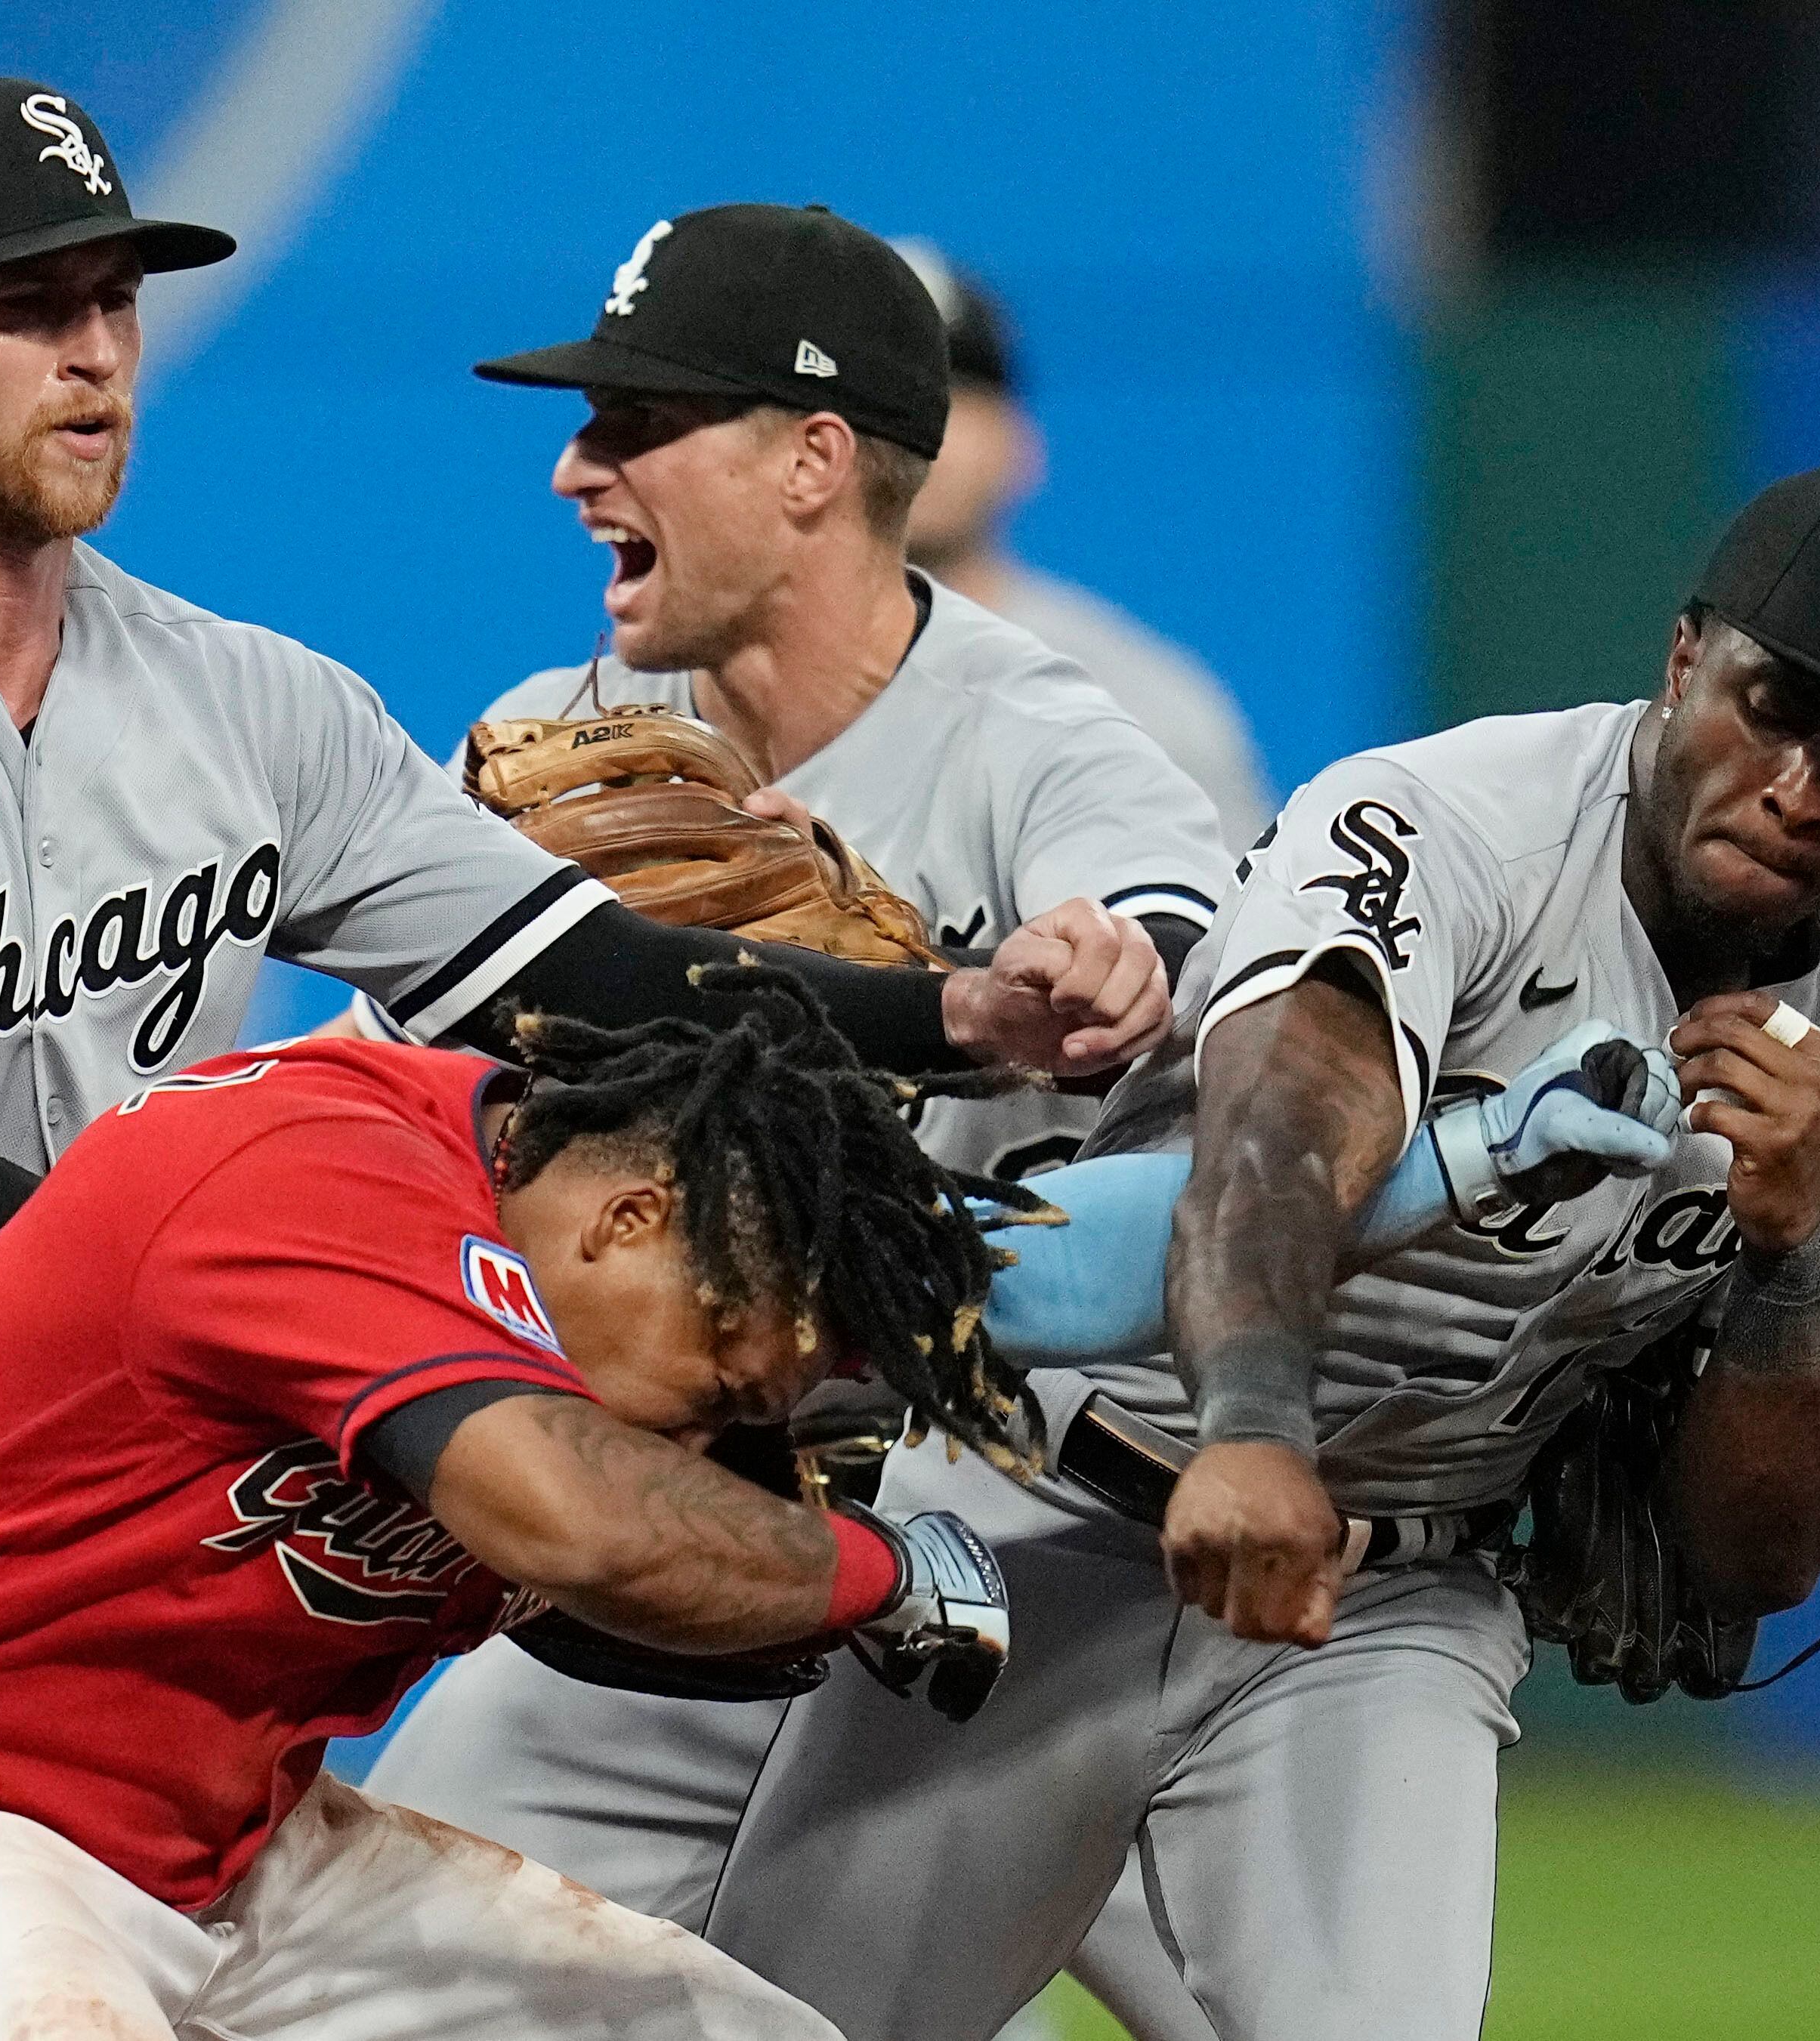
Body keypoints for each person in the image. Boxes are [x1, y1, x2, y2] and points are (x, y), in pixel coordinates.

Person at [0, 82, 1165, 2041]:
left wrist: (960, 1015)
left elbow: (583, 970)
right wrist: (345, 1329)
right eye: (15, 300)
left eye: (112, 295)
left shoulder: (240, 704)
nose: (87, 346)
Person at [650, 466, 1820, 2041]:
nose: (1803, 787)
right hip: (1049, 1514)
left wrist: (1787, 1250)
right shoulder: (1452, 828)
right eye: (1775, 706)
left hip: (1388, 1610)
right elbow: (1280, 1131)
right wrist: (1251, 1427)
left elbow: (1766, 1552)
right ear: (1684, 657)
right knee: (794, 2028)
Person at [0, 971, 1032, 2041]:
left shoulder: (569, 1323)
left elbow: (600, 1585)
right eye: (718, 1387)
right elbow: (579, 1524)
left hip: (230, 1871)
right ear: (627, 1220)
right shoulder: (316, 1166)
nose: (701, 1434)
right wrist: (885, 1573)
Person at [350, 199, 1225, 1941]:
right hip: (707, 1535)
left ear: (813, 461)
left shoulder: (1043, 730)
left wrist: (1085, 961)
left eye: (633, 426)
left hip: (1058, 1552)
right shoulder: (560, 755)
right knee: (371, 1958)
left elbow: (1157, 927)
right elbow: (376, 1099)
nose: (573, 472)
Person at [891, 238, 1275, 850]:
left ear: (1024, 444)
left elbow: (1240, 941)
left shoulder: (1137, 704)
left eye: (955, 399)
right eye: (881, 405)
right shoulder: (713, 689)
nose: (922, 434)